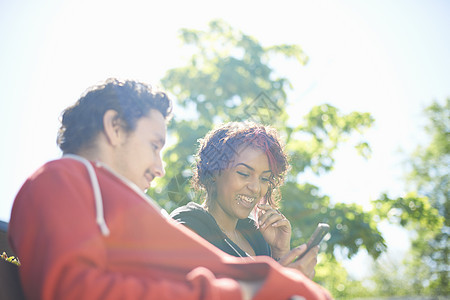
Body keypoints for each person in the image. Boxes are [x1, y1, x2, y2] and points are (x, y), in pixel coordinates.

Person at [8, 78, 332, 300]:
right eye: (153, 145)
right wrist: (246, 292)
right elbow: (75, 292)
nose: (160, 168)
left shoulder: (116, 204)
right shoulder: (62, 178)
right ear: (115, 127)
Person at [171, 122, 319, 279]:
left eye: (264, 178)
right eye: (243, 173)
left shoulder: (256, 238)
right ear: (213, 172)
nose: (256, 188)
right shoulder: (188, 227)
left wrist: (279, 251)